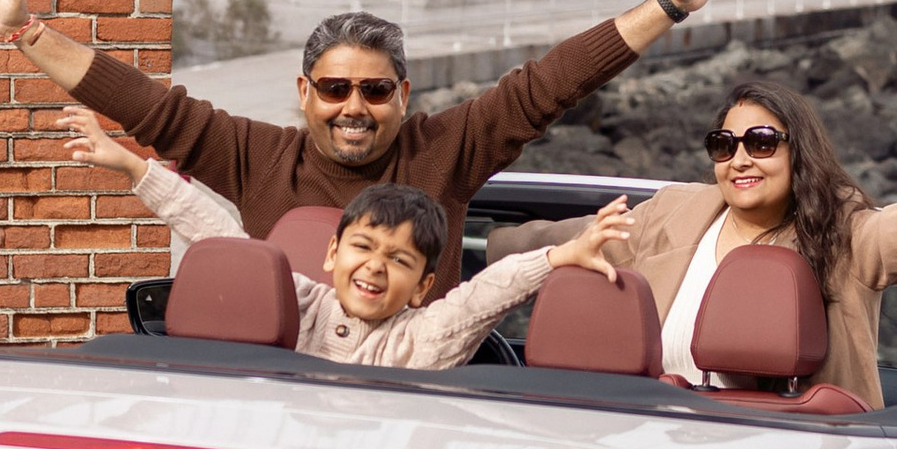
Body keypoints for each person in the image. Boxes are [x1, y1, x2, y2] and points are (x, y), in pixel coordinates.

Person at [0, 0, 735, 277]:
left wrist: (670, 3)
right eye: (335, 87)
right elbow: (144, 105)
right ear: (303, 92)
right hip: (286, 402)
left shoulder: (449, 149)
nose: (354, 106)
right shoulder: (253, 156)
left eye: (374, 90)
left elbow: (553, 82)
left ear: (404, 94)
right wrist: (24, 30)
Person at [488, 78, 897, 408]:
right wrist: (451, 258)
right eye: (724, 143)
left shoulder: (843, 237)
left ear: (798, 150)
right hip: (650, 446)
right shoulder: (675, 212)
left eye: (762, 141)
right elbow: (556, 247)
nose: (739, 157)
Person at [57, 97, 639, 370]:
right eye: (362, 246)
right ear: (332, 253)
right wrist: (135, 166)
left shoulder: (426, 338)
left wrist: (560, 255)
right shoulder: (298, 301)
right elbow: (222, 234)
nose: (375, 266)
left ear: (422, 286)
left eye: (400, 260)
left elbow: (489, 293)